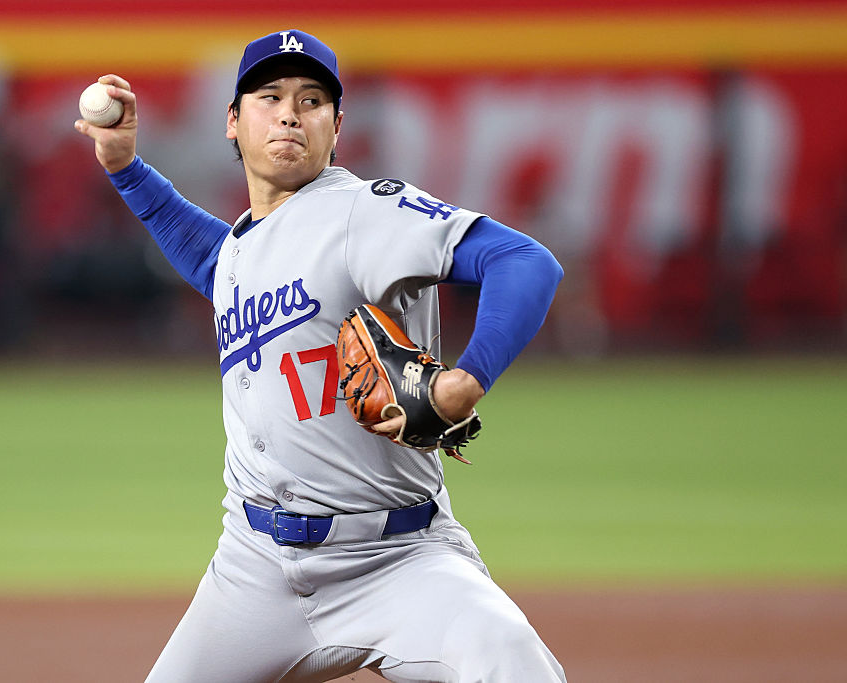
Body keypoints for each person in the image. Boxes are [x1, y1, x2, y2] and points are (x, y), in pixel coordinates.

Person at [75, 29, 566, 683]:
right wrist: (125, 167)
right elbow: (214, 261)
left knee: (515, 666)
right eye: (269, 96)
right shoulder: (247, 245)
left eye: (311, 100)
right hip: (255, 568)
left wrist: (466, 380)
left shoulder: (368, 211)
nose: (288, 112)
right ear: (233, 121)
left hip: (398, 558)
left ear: (337, 125)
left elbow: (525, 261)